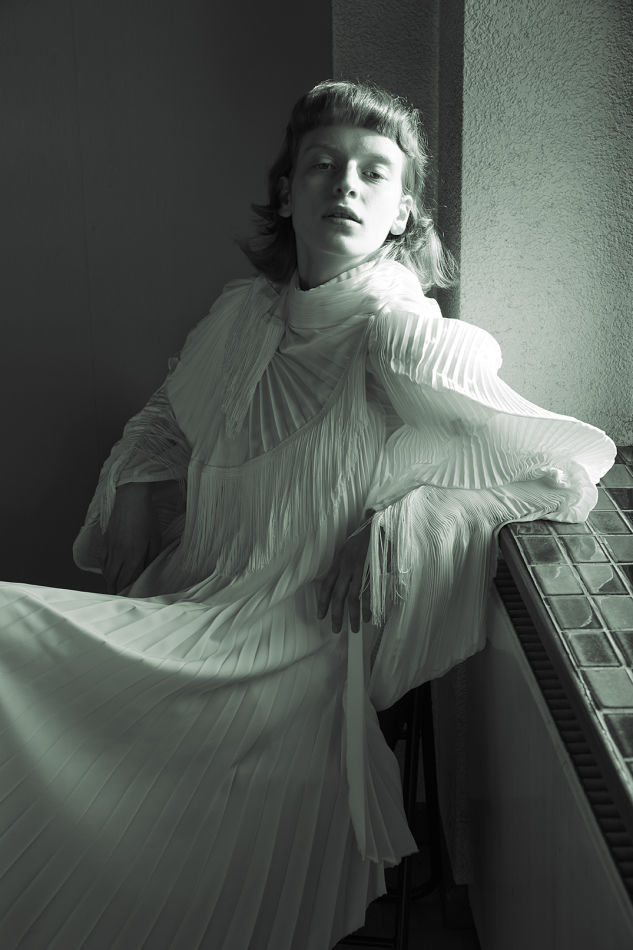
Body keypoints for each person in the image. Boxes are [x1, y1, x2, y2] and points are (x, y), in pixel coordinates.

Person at [0, 80, 615, 950]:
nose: (345, 185)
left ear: (402, 214)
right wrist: (137, 482)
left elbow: (557, 471)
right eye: (322, 165)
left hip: (288, 650)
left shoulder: (398, 333)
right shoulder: (241, 315)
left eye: (373, 172)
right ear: (286, 193)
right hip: (187, 606)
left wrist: (398, 519)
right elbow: (169, 417)